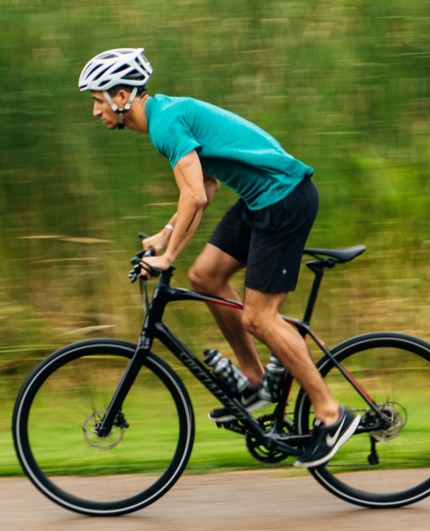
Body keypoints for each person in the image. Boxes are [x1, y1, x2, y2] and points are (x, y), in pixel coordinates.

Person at [78, 47, 358, 468]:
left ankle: (332, 414)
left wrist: (167, 256)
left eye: (98, 100)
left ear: (121, 96)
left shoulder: (164, 123)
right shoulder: (166, 116)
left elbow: (194, 195)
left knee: (259, 318)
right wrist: (166, 233)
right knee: (205, 276)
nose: (95, 111)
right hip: (260, 198)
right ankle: (256, 380)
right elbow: (206, 187)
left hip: (284, 199)